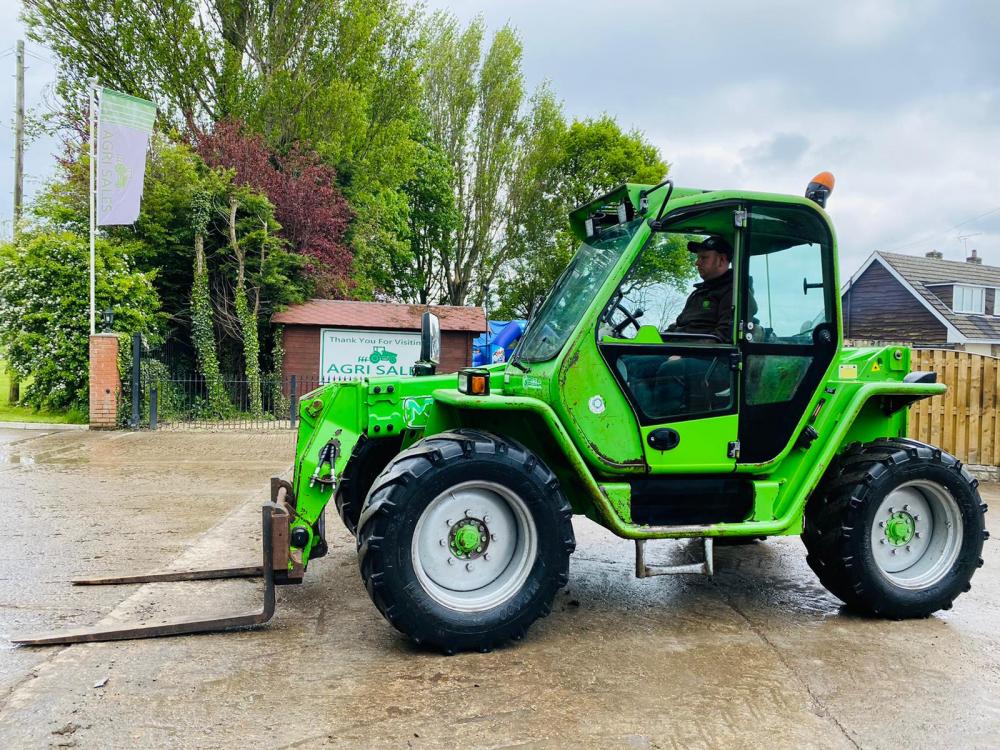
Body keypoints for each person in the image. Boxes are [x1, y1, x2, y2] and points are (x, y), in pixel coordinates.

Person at [666, 235, 735, 341]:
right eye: (698, 258)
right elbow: (679, 324)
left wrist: (684, 353)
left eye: (703, 258)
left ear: (721, 260)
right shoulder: (698, 293)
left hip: (702, 355)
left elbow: (723, 336)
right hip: (677, 350)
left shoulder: (734, 293)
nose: (697, 263)